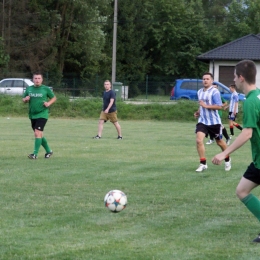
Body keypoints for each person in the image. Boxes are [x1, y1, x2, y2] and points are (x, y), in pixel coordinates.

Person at [212, 59, 260, 243]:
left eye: (234, 76)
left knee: (242, 191)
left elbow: (247, 133)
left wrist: (224, 153)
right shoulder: (258, 96)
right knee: (242, 190)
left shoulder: (249, 102)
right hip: (258, 160)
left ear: (241, 78)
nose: (234, 80)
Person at [194, 72, 231, 172]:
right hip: (202, 121)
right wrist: (198, 111)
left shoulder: (215, 92)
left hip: (214, 122)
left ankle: (227, 159)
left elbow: (219, 106)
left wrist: (206, 106)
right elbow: (201, 105)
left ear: (211, 81)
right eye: (204, 79)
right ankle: (203, 163)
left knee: (219, 142)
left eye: (207, 79)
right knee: (198, 140)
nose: (205, 80)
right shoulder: (199, 92)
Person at [23, 72, 57, 159]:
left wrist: (48, 103)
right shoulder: (29, 89)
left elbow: (54, 98)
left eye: (39, 78)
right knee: (39, 135)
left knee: (37, 133)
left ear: (42, 80)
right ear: (33, 79)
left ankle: (34, 154)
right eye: (35, 78)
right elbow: (24, 99)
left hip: (42, 114)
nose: (37, 80)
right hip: (32, 115)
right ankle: (49, 151)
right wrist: (26, 99)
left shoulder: (45, 89)